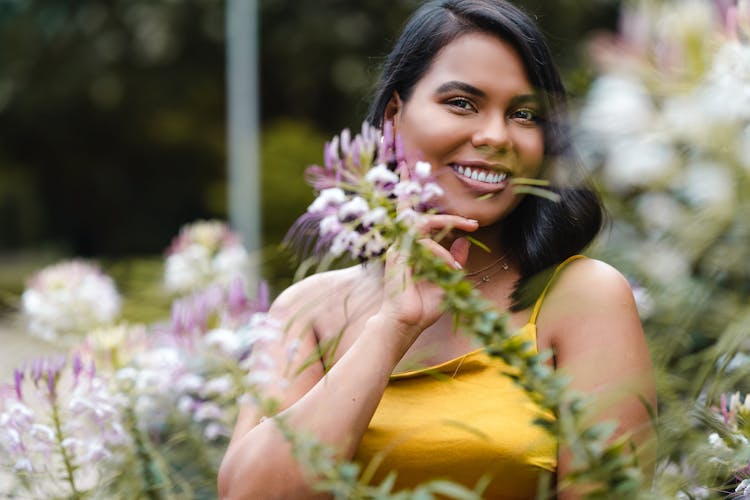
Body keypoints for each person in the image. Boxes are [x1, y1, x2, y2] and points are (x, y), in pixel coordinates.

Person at [217, 0, 656, 498]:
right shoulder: (308, 309)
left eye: (524, 113)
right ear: (394, 116)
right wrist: (391, 329)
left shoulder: (584, 298)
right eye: (462, 103)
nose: (495, 136)